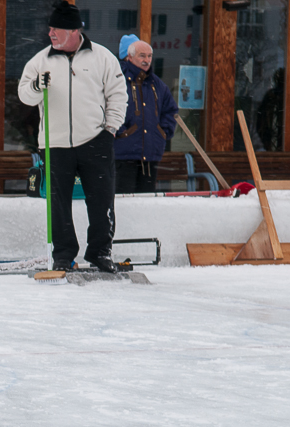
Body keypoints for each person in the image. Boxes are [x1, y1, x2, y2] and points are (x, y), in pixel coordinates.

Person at [18, 1, 127, 273]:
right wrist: (35, 85)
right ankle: (64, 254)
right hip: (55, 144)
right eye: (50, 28)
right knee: (58, 203)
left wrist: (109, 129)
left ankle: (100, 252)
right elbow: (24, 95)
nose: (50, 34)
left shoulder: (102, 57)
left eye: (56, 29)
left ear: (74, 31)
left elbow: (117, 95)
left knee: (101, 199)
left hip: (95, 140)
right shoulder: (40, 60)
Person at [114, 39, 178, 194]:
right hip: (123, 155)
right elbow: (106, 108)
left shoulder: (157, 84)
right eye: (142, 56)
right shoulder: (117, 80)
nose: (147, 60)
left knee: (146, 203)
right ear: (129, 57)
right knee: (123, 202)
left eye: (149, 56)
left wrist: (162, 132)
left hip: (150, 155)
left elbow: (171, 111)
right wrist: (121, 132)